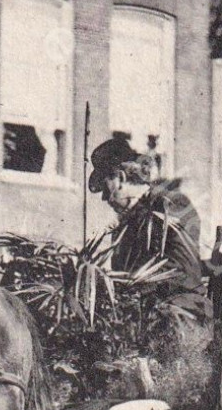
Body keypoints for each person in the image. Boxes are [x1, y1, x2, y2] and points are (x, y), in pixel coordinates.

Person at [87, 136, 208, 322]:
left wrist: (133, 291)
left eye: (105, 188)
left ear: (120, 178)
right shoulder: (124, 225)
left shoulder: (171, 204)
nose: (105, 198)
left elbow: (179, 270)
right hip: (142, 315)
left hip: (181, 313)